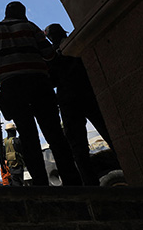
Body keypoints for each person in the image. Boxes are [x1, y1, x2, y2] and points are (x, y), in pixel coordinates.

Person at [0, 1, 82, 186]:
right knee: (54, 133)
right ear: (23, 13)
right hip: (39, 83)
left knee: (28, 136)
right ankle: (72, 181)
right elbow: (49, 54)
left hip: (11, 87)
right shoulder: (30, 27)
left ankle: (40, 184)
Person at [45, 23, 120, 186]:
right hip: (89, 93)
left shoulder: (51, 55)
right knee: (111, 134)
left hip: (68, 100)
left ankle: (90, 188)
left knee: (78, 149)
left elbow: (50, 80)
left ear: (50, 37)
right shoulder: (77, 44)